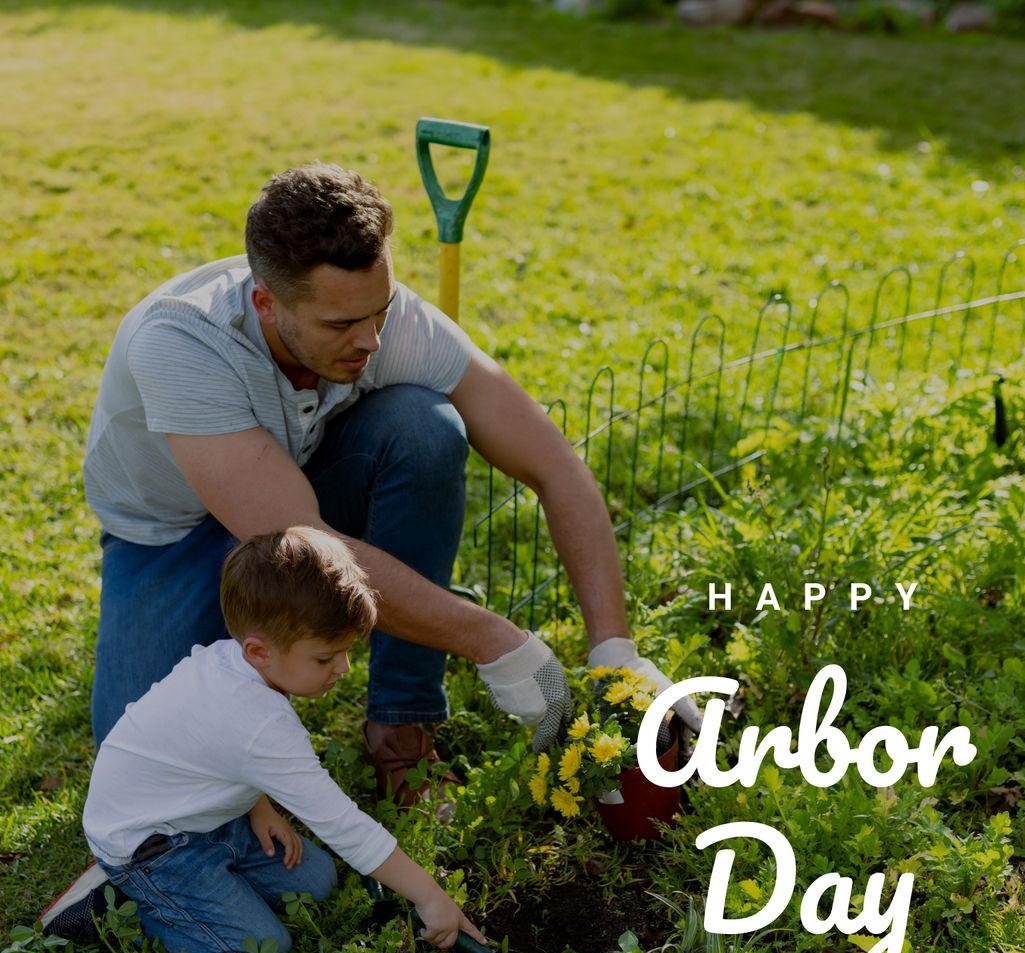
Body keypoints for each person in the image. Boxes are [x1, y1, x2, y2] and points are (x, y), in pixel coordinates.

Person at [81, 163, 700, 799]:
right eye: (339, 325)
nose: (370, 340)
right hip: (173, 535)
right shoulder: (183, 344)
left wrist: (614, 651)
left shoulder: (384, 322)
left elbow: (554, 464)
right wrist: (494, 639)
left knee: (423, 426)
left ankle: (402, 731)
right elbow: (304, 545)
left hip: (295, 486)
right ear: (266, 301)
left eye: (379, 311)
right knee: (142, 763)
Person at [46, 527, 484, 953]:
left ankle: (206, 885)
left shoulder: (238, 662)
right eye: (325, 658)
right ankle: (117, 907)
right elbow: (344, 825)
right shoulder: (259, 723)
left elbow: (216, 751)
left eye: (348, 651)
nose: (344, 668)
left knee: (317, 882)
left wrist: (258, 805)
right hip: (147, 845)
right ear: (259, 651)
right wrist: (431, 896)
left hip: (195, 813)